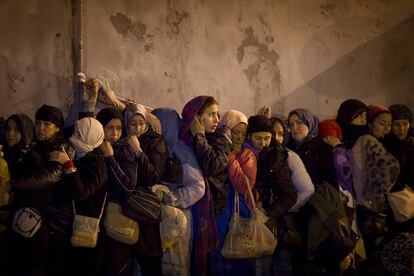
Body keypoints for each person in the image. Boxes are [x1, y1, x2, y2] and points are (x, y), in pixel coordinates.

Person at [8, 105, 74, 276]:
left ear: (57, 127)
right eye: (38, 123)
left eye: (46, 124)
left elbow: (50, 178)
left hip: (57, 219)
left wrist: (13, 185)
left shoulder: (62, 147)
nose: (41, 128)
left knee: (50, 266)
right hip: (39, 216)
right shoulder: (39, 145)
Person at [179, 96, 232, 276]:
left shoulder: (222, 137)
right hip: (191, 208)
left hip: (215, 208)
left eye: (218, 114)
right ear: (197, 118)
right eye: (211, 115)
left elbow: (212, 166)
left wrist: (199, 136)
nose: (218, 119)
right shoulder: (185, 138)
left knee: (213, 260)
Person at [49, 117, 108, 276]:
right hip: (75, 226)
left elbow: (81, 193)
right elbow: (68, 132)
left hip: (87, 231)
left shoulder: (96, 162)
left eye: (79, 133)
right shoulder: (83, 155)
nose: (74, 135)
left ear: (90, 136)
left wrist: (67, 163)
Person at [152, 107, 205, 276]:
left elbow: (198, 187)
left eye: (160, 125)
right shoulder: (154, 147)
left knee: (175, 265)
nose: (157, 130)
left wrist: (170, 199)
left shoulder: (182, 151)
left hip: (177, 219)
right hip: (157, 216)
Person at [246, 115, 297, 275]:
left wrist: (267, 213)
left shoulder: (276, 158)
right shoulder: (245, 153)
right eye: (258, 138)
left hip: (267, 223)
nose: (263, 143)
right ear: (249, 136)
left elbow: (289, 195)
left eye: (267, 138)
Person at [123, 103, 168, 276]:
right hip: (126, 207)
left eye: (141, 123)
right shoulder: (121, 140)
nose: (138, 129)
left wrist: (138, 151)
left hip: (145, 209)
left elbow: (153, 177)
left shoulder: (156, 141)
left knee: (149, 259)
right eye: (132, 124)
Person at [349, 105, 400, 255]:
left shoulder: (362, 140)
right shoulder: (369, 141)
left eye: (389, 124)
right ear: (370, 124)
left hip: (362, 202)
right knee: (376, 250)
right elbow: (392, 168)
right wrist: (381, 191)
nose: (386, 128)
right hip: (370, 204)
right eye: (382, 123)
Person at [270, 116, 315, 275]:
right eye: (272, 132)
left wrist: (285, 208)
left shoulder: (290, 157)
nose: (276, 138)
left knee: (282, 265)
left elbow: (307, 190)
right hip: (271, 217)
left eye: (281, 133)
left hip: (288, 220)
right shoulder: (263, 155)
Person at [383, 104, 414, 236]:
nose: (401, 129)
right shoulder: (386, 145)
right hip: (397, 201)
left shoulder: (411, 143)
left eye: (405, 124)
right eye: (397, 124)